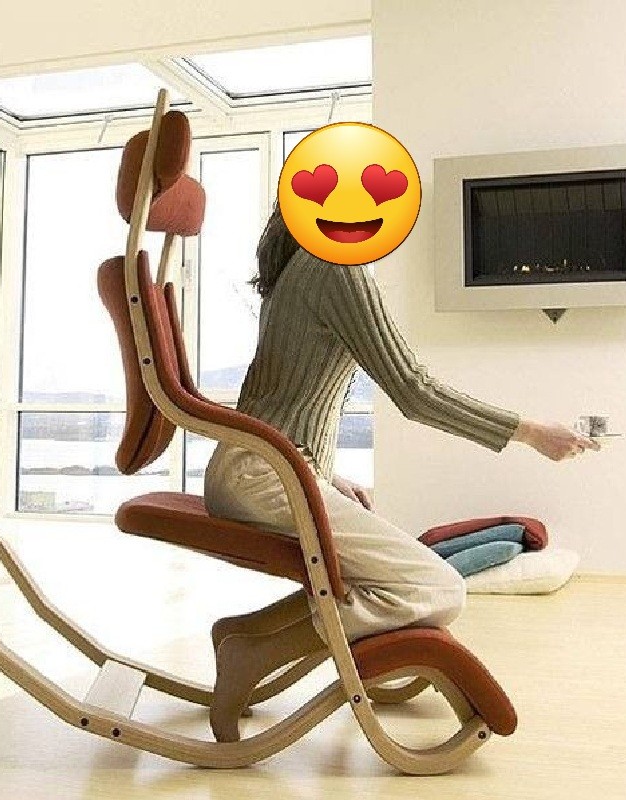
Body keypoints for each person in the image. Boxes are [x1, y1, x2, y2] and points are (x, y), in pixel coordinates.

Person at [203, 202, 599, 741]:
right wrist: (530, 432)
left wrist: (324, 474)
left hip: (261, 470)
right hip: (266, 478)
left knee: (388, 576)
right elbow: (413, 391)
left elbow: (281, 402)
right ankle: (256, 654)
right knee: (437, 587)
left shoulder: (299, 265)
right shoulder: (334, 264)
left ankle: (243, 633)